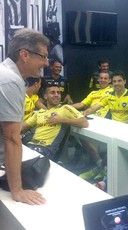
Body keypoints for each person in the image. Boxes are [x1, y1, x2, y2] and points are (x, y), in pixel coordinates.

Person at [0, 28, 49, 205]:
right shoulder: (10, 80)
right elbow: (11, 138)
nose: (46, 63)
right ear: (24, 54)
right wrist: (17, 191)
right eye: (43, 56)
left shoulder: (6, 74)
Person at [22, 84, 88, 161]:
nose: (56, 95)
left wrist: (60, 120)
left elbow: (84, 122)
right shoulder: (40, 112)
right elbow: (22, 127)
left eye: (58, 93)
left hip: (46, 149)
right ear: (45, 96)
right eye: (52, 92)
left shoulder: (65, 108)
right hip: (31, 145)